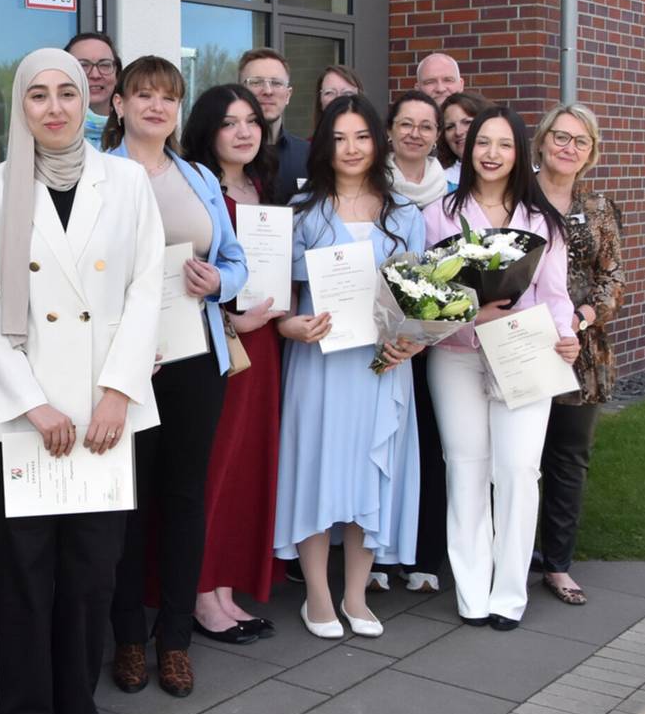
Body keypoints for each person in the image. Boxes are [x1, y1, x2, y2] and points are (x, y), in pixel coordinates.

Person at [0, 49, 164, 714]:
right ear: (21, 107)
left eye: (67, 94)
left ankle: (77, 705)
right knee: (21, 570)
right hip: (25, 417)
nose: (54, 107)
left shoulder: (129, 181)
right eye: (38, 95)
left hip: (107, 413)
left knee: (92, 571)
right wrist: (33, 404)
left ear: (89, 101)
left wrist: (118, 390)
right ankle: (23, 712)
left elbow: (147, 288)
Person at [104, 57, 248, 698]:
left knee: (185, 499)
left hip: (194, 360)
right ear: (119, 105)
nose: (156, 107)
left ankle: (176, 640)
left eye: (167, 97)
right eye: (143, 95)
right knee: (127, 504)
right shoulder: (97, 175)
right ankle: (129, 638)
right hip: (123, 367)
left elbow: (236, 260)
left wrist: (221, 281)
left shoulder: (198, 177)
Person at [274, 94, 426, 639]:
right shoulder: (302, 215)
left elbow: (420, 300)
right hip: (318, 363)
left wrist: (414, 340)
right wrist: (288, 325)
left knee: (371, 470)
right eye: (338, 138)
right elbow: (275, 300)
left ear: (377, 142)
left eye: (361, 136)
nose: (351, 148)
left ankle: (356, 595)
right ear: (323, 146)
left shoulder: (406, 216)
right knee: (316, 469)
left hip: (381, 365)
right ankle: (317, 595)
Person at [423, 105, 579, 630]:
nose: (491, 154)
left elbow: (556, 296)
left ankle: (508, 595)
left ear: (520, 153)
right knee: (465, 470)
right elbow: (425, 297)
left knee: (516, 472)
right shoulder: (440, 214)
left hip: (523, 356)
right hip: (457, 358)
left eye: (504, 144)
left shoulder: (542, 221)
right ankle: (471, 591)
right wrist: (470, 311)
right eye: (482, 143)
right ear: (468, 150)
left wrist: (568, 336)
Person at [183, 83, 288, 640]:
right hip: (219, 346)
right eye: (230, 122)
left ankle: (227, 588)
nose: (244, 131)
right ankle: (202, 592)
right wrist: (228, 323)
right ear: (208, 129)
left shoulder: (265, 188)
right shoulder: (195, 191)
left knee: (250, 464)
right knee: (214, 466)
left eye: (251, 120)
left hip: (266, 345)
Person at [534, 103, 625, 609]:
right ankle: (512, 553)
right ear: (543, 141)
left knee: (567, 460)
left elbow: (613, 277)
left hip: (580, 352)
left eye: (580, 141)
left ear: (590, 152)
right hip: (521, 347)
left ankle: (558, 565)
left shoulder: (599, 207)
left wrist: (583, 317)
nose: (568, 148)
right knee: (517, 460)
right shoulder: (515, 198)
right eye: (561, 137)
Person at [386, 91, 450, 595]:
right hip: (384, 337)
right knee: (389, 441)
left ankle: (424, 553)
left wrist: (424, 333)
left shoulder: (451, 190)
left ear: (438, 134)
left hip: (438, 339)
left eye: (425, 126)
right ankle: (382, 556)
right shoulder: (371, 182)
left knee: (431, 443)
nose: (415, 133)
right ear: (389, 131)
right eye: (405, 123)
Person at [237, 47, 309, 187]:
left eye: (276, 83)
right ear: (239, 91)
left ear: (288, 95)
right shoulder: (223, 155)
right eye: (256, 82)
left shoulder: (309, 156)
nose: (268, 91)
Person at [66, 32, 123, 149]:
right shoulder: (47, 135)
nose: (95, 75)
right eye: (83, 65)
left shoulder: (137, 132)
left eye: (105, 65)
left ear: (117, 75)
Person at [437, 90, 487, 189]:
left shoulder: (511, 176)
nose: (458, 132)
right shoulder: (439, 184)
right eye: (450, 127)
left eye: (467, 122)